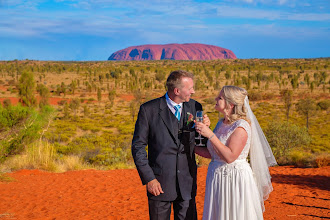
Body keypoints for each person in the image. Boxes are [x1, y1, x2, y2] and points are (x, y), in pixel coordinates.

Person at [131, 70, 210, 220]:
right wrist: (149, 179)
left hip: (187, 182)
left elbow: (200, 142)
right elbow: (138, 147)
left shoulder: (195, 107)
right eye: (190, 88)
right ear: (177, 90)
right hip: (159, 184)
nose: (193, 91)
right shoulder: (149, 110)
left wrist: (205, 129)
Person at [195, 85, 277, 220]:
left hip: (234, 178)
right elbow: (213, 153)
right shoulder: (221, 123)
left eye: (220, 97)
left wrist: (210, 135)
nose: (216, 99)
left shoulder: (241, 126)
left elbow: (230, 156)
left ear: (230, 104)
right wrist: (189, 147)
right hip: (216, 177)